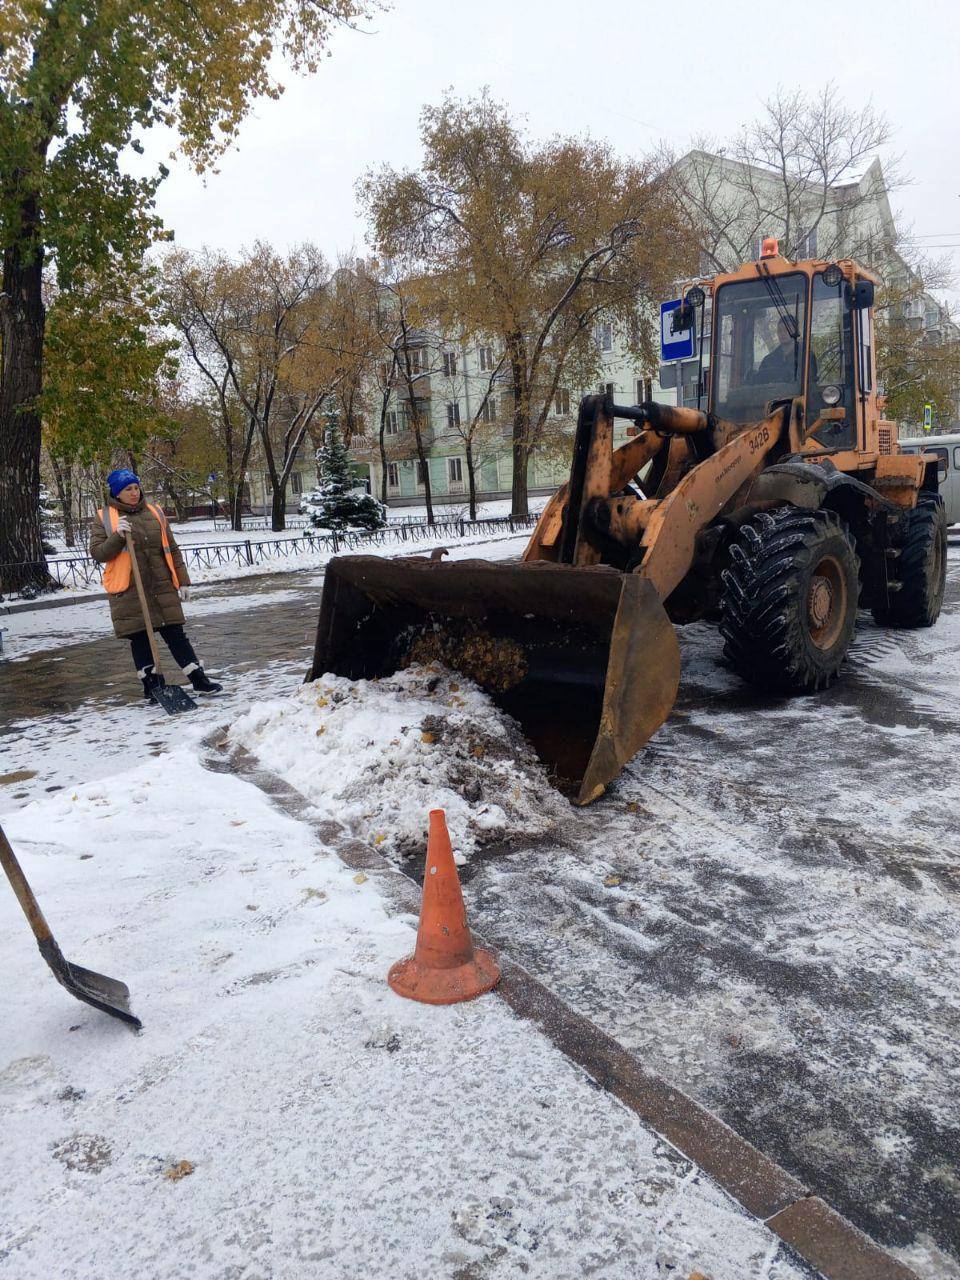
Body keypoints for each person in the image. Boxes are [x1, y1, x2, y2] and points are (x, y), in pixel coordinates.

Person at [89, 469, 223, 699]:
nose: (134, 493)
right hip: (129, 591)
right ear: (116, 493)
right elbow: (98, 553)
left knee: (175, 634)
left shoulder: (155, 512)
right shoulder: (105, 518)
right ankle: (153, 687)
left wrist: (182, 581)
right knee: (140, 639)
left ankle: (199, 680)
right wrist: (118, 536)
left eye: (136, 487)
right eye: (127, 489)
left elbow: (172, 549)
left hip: (161, 586)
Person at [756, 316, 801, 384]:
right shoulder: (768, 361)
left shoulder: (806, 357)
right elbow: (759, 386)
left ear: (796, 331)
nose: (782, 333)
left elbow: (811, 385)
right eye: (780, 330)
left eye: (786, 330)